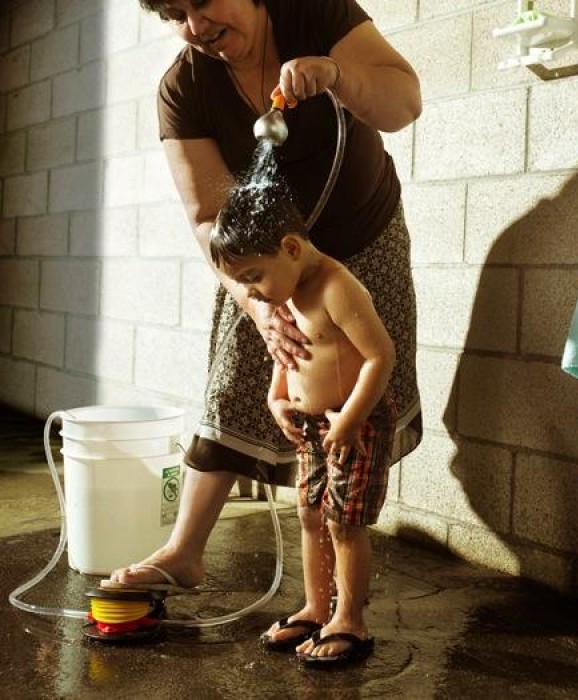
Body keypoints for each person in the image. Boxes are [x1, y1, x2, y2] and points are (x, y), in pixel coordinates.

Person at [110, 0, 423, 661]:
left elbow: (402, 104)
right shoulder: (186, 86)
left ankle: (347, 610)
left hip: (360, 233)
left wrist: (337, 74)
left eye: (202, 2)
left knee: (351, 414)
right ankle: (189, 553)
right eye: (173, 13)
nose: (193, 26)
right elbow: (207, 214)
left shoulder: (315, 12)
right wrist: (259, 304)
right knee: (237, 377)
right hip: (262, 256)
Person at [210, 177, 397, 664]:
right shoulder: (287, 287)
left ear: (291, 248)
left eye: (253, 276)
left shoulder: (337, 287)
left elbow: (381, 357)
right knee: (310, 514)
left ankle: (350, 620)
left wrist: (351, 420)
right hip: (315, 426)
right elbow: (287, 351)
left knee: (343, 522)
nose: (252, 291)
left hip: (356, 425)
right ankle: (317, 607)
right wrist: (277, 398)